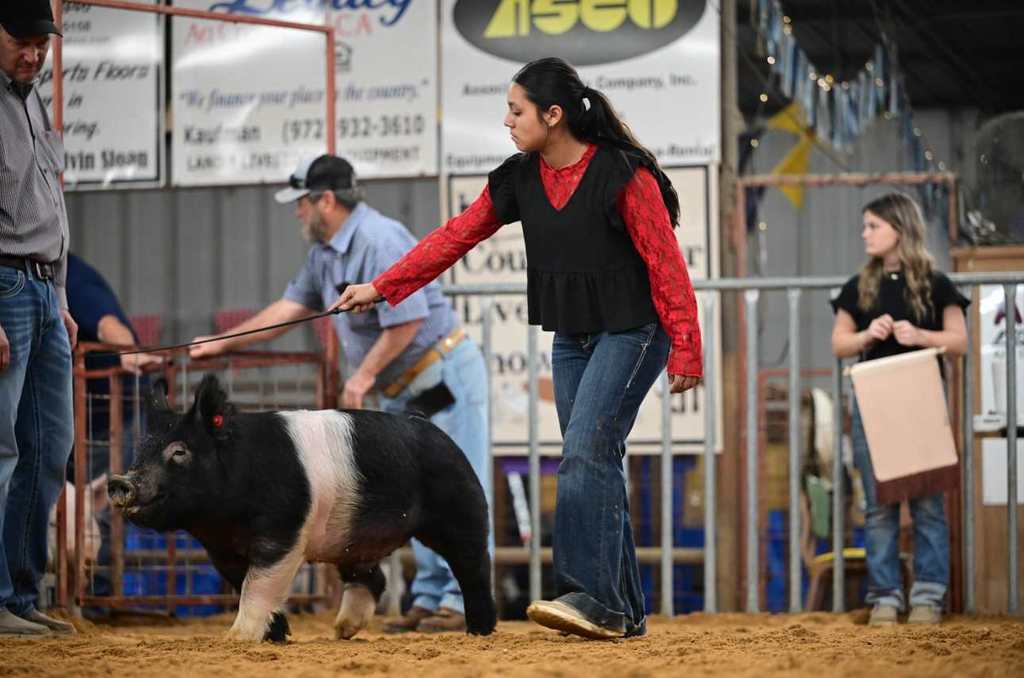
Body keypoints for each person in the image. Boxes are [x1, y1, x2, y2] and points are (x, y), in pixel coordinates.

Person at [334, 57, 703, 640]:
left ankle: (593, 599)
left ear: (553, 116)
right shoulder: (520, 177)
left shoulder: (624, 175)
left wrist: (687, 346)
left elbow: (666, 264)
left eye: (516, 109)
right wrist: (383, 287)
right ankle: (624, 612)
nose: (507, 120)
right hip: (573, 337)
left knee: (583, 453)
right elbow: (453, 236)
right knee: (595, 459)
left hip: (634, 332)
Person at [188, 155, 490, 633]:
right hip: (403, 384)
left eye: (303, 203)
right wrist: (221, 342)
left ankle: (456, 601)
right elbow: (288, 309)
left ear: (326, 201)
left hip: (440, 373)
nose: (298, 213)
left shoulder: (377, 239)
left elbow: (408, 318)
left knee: (448, 494)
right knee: (415, 497)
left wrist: (363, 375)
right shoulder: (325, 253)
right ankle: (431, 600)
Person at [830, 192, 968, 626]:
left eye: (874, 225)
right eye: (865, 226)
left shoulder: (935, 282)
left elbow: (959, 341)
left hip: (922, 399)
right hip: (875, 403)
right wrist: (868, 334)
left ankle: (928, 595)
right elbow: (839, 344)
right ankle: (885, 596)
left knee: (928, 501)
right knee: (878, 505)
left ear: (900, 229)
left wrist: (921, 337)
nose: (865, 234)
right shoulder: (859, 286)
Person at [0, 0, 78, 637]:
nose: (33, 55)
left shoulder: (32, 99)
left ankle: (21, 598)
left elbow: (49, 197)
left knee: (49, 449)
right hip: (2, 287)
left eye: (41, 45)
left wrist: (64, 298)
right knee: (0, 449)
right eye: (21, 42)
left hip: (45, 290)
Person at [65, 252, 162, 605]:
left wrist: (128, 353)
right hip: (91, 418)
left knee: (98, 508)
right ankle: (83, 593)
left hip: (110, 417)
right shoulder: (64, 273)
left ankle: (95, 595)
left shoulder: (72, 277)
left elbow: (107, 324)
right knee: (91, 506)